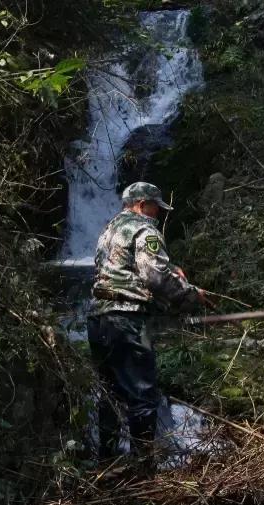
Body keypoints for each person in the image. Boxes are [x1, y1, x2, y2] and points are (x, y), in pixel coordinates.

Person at [87, 181, 206, 458]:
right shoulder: (144, 228)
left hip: (98, 318)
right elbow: (155, 277)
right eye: (156, 207)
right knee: (142, 394)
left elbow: (122, 267)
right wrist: (190, 296)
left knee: (109, 393)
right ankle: (143, 468)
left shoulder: (109, 229)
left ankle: (106, 460)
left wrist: (172, 269)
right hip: (127, 319)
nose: (159, 214)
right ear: (142, 205)